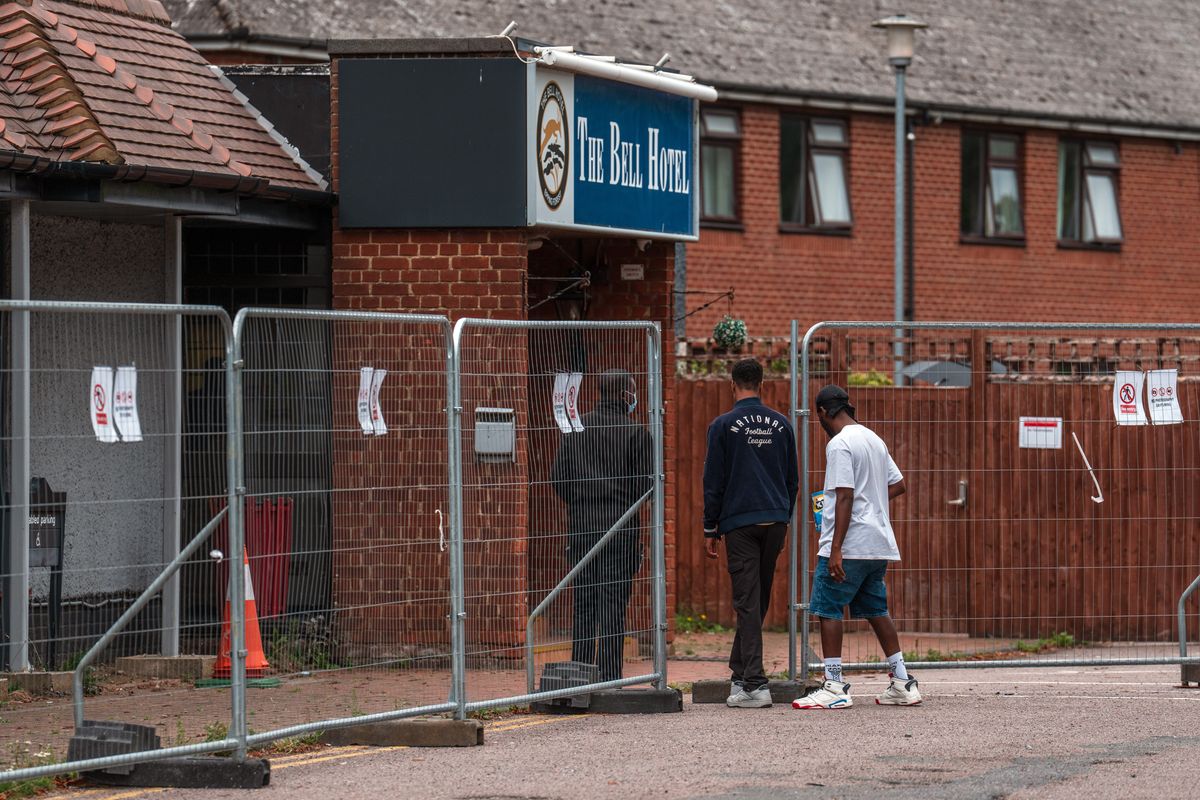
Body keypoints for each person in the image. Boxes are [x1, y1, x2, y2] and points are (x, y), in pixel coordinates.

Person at [792, 384, 921, 709]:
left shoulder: (840, 445)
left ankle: (834, 685)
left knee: (826, 608)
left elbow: (845, 494)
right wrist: (871, 501)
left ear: (822, 412)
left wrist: (836, 549)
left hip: (850, 545)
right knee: (877, 610)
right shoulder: (873, 439)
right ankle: (902, 681)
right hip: (878, 544)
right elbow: (898, 484)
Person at [702, 358, 798, 708]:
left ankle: (756, 685)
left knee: (746, 601)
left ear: (732, 385)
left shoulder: (723, 425)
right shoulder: (782, 423)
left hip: (740, 522)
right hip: (774, 518)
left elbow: (713, 481)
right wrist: (784, 518)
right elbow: (792, 479)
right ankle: (740, 675)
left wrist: (710, 527)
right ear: (762, 383)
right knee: (757, 600)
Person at [551, 369, 652, 683]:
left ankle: (580, 673)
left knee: (583, 602)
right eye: (632, 393)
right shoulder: (636, 433)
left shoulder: (576, 430)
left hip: (581, 524)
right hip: (620, 526)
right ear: (625, 395)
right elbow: (646, 486)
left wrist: (581, 501)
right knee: (613, 603)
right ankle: (608, 675)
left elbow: (558, 478)